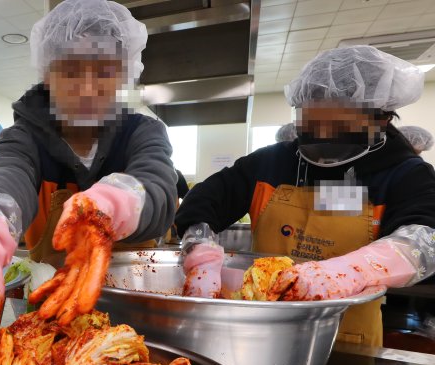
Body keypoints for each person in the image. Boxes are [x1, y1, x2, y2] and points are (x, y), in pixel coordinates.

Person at [0, 0, 177, 359]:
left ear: (124, 74)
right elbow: (4, 181)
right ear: (47, 76)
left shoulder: (144, 133)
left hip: (139, 319)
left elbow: (157, 184)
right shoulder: (22, 139)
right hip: (48, 322)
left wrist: (111, 204)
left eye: (103, 71)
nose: (86, 87)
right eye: (69, 71)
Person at [176, 46, 435, 347]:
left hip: (347, 341)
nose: (322, 136)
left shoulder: (405, 174)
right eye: (311, 126)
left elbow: (425, 238)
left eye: (339, 127)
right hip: (257, 332)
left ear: (380, 119)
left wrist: (345, 273)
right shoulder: (269, 163)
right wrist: (200, 250)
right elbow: (206, 199)